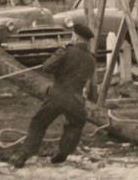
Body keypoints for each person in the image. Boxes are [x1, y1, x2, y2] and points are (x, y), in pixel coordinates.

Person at [12, 23, 96, 168]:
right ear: (87, 41)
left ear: (75, 36)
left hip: (56, 95)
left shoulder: (65, 51)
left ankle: (24, 155)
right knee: (76, 124)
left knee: (39, 123)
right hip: (76, 99)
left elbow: (47, 68)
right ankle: (63, 152)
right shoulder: (91, 59)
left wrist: (59, 56)